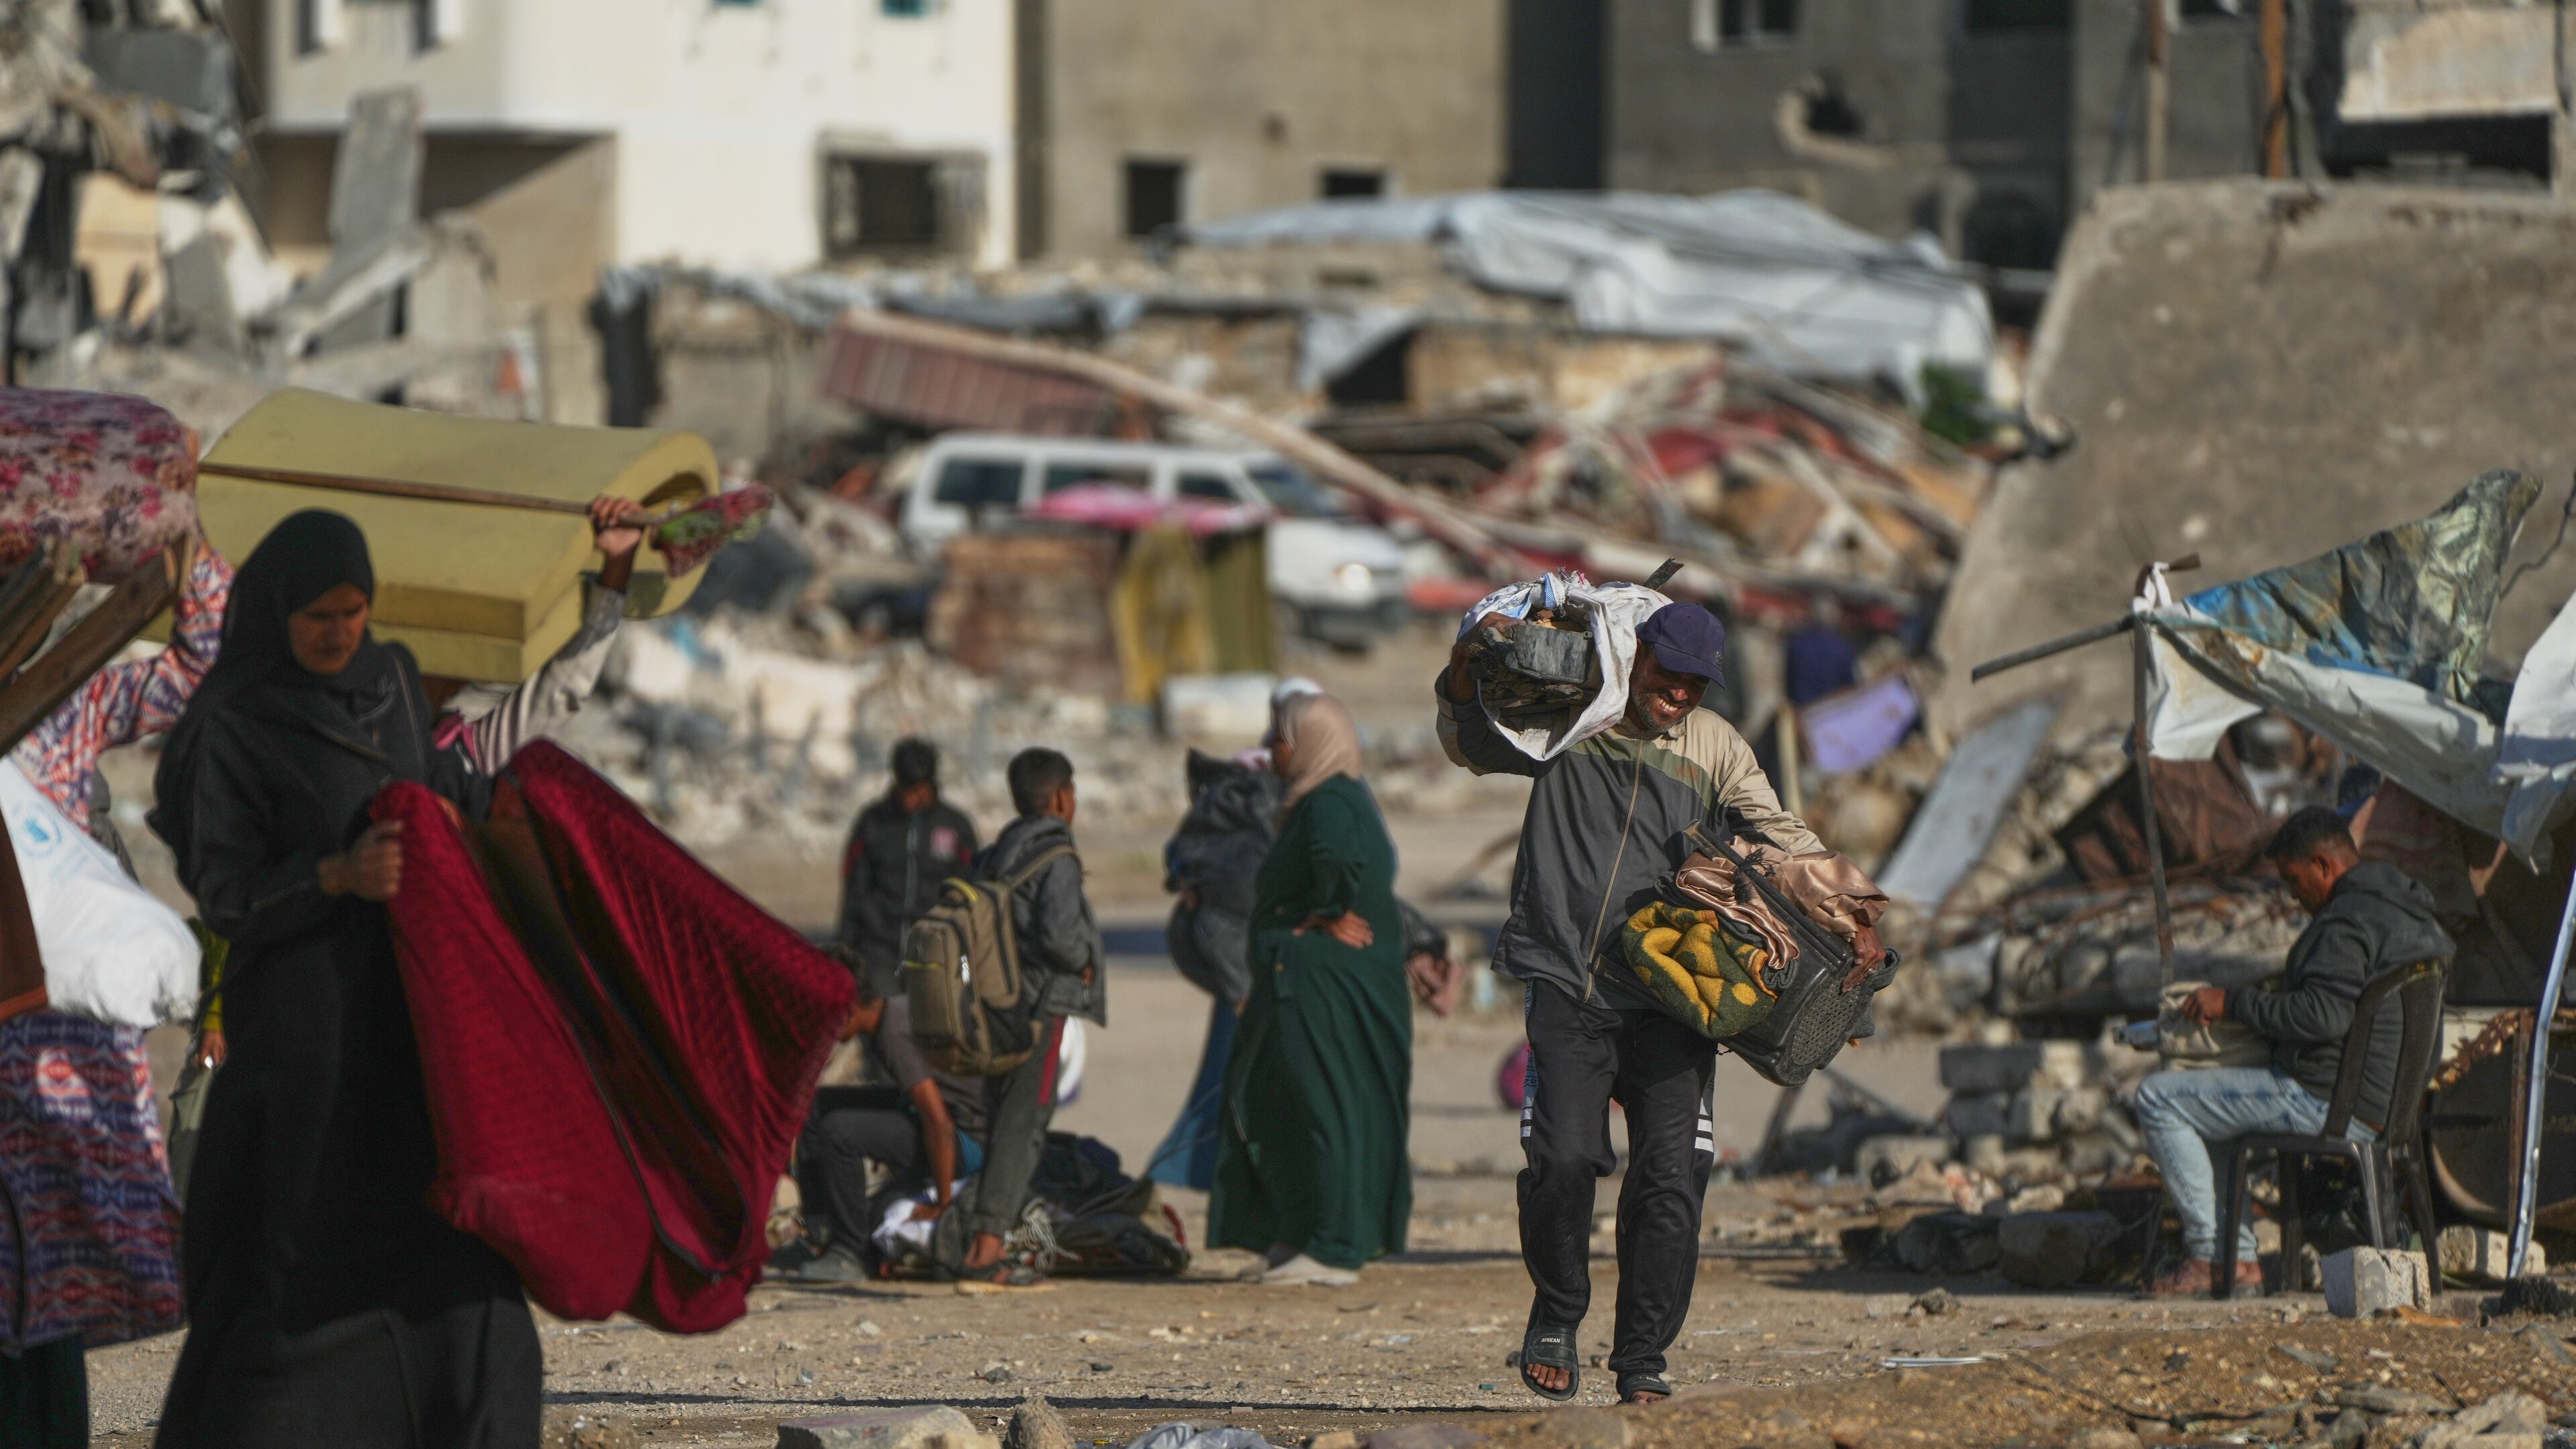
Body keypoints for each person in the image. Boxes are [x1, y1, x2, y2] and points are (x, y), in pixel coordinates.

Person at [147, 499, 647, 1448]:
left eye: (354, 611)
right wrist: (334, 876)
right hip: (303, 1051)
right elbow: (223, 895)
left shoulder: (392, 682)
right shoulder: (231, 727)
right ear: (276, 615)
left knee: (457, 1264)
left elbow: (460, 777)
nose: (340, 634)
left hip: (412, 1033)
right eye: (318, 617)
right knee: (296, 1274)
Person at [1437, 598, 1878, 1405]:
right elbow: (1470, 744)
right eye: (1666, 679)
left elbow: (1782, 836)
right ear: (1635, 657)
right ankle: (1558, 1312)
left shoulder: (1713, 747)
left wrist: (1855, 911)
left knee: (1674, 1178)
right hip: (1567, 978)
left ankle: (1641, 1357)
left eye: (1693, 687)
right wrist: (1465, 667)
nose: (1676, 697)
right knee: (1564, 1158)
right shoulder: (1574, 711)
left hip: (1676, 993)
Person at [0, 541, 231, 1448]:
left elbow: (199, 659)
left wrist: (185, 539)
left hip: (52, 1068)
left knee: (47, 1305)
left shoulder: (49, 733)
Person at [2136, 806, 2455, 1298]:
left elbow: (2322, 1015)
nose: (2292, 894)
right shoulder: (2408, 914)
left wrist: (2234, 1003)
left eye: (2294, 879)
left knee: (2159, 1098)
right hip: (2385, 1109)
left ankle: (2213, 1257)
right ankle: (2234, 1259)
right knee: (2205, 1100)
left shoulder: (2346, 921)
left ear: (2324, 866)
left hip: (2330, 1104)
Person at [1212, 691, 1410, 1287]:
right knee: (1288, 1105)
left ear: (1309, 742)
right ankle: (1299, 1233)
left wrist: (1324, 912)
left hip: (1323, 982)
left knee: (1328, 1104)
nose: (1272, 749)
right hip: (1318, 978)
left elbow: (1338, 860)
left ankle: (1333, 1246)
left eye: (1280, 736)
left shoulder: (1327, 802)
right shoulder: (1333, 798)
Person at [951, 747, 1105, 1287]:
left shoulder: (998, 851)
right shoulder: (1056, 856)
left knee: (1002, 1123)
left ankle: (979, 1238)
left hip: (994, 1007)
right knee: (1024, 1126)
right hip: (1039, 1009)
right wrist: (1084, 961)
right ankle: (985, 1251)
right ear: (1063, 798)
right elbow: (1062, 936)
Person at [789, 965, 989, 1283]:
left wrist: (943, 1203)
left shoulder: (894, 1031)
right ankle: (823, 1235)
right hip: (942, 1123)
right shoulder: (891, 1014)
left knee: (840, 1132)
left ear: (849, 1007)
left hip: (968, 1142)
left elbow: (938, 1121)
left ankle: (851, 1251)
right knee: (818, 1105)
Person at [837, 739, 980, 1000]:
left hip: (935, 953)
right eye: (909, 790)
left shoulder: (956, 826)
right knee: (882, 1031)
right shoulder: (872, 823)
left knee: (930, 1031)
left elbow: (972, 889)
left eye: (922, 789)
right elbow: (854, 890)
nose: (916, 797)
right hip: (879, 951)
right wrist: (845, 949)